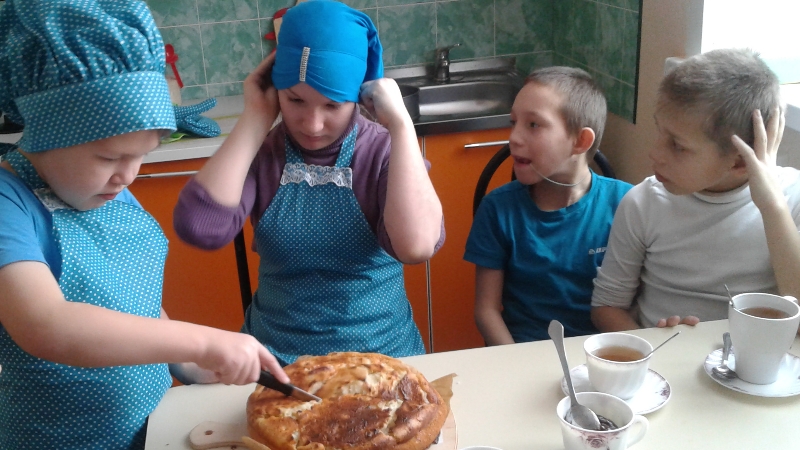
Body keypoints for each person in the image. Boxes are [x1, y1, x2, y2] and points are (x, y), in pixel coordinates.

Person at [0, 2, 288, 449]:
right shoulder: (9, 203)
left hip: (154, 426)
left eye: (142, 155)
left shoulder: (105, 186)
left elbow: (134, 305)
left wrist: (189, 364)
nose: (128, 176)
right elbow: (47, 324)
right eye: (110, 157)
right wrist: (200, 341)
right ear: (48, 132)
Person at [173, 0, 444, 365]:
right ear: (276, 89)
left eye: (333, 105)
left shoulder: (384, 152)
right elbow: (200, 228)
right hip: (277, 365)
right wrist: (255, 118)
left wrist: (400, 125)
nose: (312, 124)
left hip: (381, 361)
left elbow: (416, 246)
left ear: (359, 95)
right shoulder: (264, 153)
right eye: (295, 100)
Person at [591, 48, 800, 331]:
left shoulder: (792, 199)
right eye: (659, 131)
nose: (655, 153)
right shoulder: (643, 203)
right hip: (662, 353)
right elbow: (606, 306)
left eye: (677, 145)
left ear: (739, 161)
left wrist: (772, 206)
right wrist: (653, 345)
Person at [464, 67, 633, 344]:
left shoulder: (628, 204)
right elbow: (486, 311)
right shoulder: (497, 209)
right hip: (523, 353)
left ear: (580, 141)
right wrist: (516, 361)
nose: (514, 137)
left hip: (603, 355)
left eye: (533, 125)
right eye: (513, 122)